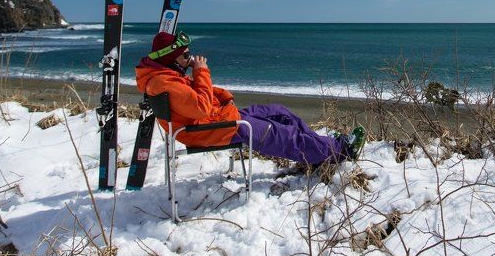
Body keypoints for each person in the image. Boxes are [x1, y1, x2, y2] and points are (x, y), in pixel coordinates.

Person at [135, 31, 365, 165]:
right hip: (215, 129)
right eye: (185, 56)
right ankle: (342, 149)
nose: (190, 58)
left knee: (279, 112)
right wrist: (201, 71)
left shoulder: (164, 75)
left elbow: (196, 97)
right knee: (282, 135)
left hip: (218, 120)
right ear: (171, 59)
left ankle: (320, 147)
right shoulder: (164, 82)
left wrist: (223, 96)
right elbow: (201, 107)